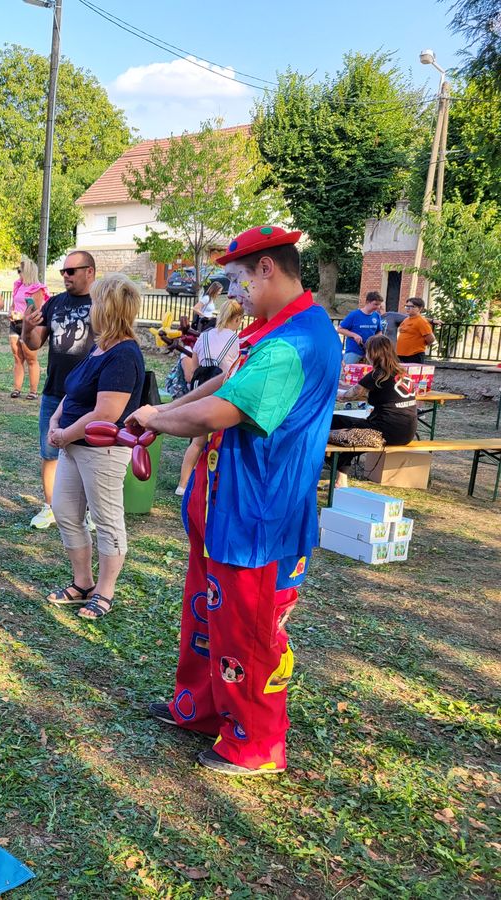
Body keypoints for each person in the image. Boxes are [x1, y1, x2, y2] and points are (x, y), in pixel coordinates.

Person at [128, 225, 340, 776]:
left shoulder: (296, 342)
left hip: (259, 514)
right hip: (227, 503)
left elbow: (225, 412)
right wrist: (161, 417)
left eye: (239, 280)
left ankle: (255, 744)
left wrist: (160, 419)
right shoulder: (270, 332)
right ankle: (200, 707)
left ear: (267, 268)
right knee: (207, 616)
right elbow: (222, 387)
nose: (233, 293)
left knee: (249, 631)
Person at [45, 274, 145, 620]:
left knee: (106, 519)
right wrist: (57, 423)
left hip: (101, 449)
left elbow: (106, 413)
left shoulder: (124, 354)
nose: (90, 308)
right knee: (65, 512)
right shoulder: (99, 346)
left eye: (96, 302)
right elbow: (74, 393)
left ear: (108, 308)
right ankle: (82, 583)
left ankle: (104, 591)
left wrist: (65, 433)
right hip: (73, 444)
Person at [22, 250, 98, 530]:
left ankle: (87, 510)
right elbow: (33, 344)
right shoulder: (54, 303)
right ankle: (50, 506)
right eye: (63, 272)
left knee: (87, 454)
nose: (65, 276)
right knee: (49, 451)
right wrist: (25, 328)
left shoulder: (101, 303)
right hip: (55, 390)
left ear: (89, 271)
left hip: (90, 394)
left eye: (71, 271)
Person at [329, 334, 418, 487]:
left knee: (333, 422)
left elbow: (346, 397)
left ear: (373, 353)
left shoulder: (378, 374)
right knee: (354, 433)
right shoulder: (402, 373)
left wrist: (329, 389)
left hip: (384, 431)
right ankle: (340, 480)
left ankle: (334, 475)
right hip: (407, 433)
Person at [175, 298, 243, 495]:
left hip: (201, 388)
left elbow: (193, 364)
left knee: (197, 441)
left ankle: (183, 484)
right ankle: (215, 484)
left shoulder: (203, 336)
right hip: (221, 391)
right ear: (237, 319)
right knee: (222, 440)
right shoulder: (236, 341)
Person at [10, 258, 45, 400]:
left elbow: (37, 311)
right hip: (14, 324)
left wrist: (23, 316)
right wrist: (11, 312)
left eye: (20, 271)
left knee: (30, 358)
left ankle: (33, 391)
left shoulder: (37, 289)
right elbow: (14, 304)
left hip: (28, 325)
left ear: (28, 271)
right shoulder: (18, 286)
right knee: (17, 357)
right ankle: (17, 389)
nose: (19, 273)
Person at [336, 292, 383, 363]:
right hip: (354, 350)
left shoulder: (376, 316)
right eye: (375, 304)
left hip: (370, 351)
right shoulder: (354, 315)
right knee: (348, 371)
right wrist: (354, 335)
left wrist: (376, 342)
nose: (378, 307)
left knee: (369, 372)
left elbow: (379, 331)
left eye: (379, 305)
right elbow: (340, 329)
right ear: (367, 302)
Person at [397, 297, 435, 363]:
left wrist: (418, 346)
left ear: (420, 309)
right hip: (401, 355)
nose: (408, 308)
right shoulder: (406, 320)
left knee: (412, 373)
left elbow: (431, 339)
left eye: (412, 306)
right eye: (407, 306)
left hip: (414, 356)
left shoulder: (421, 321)